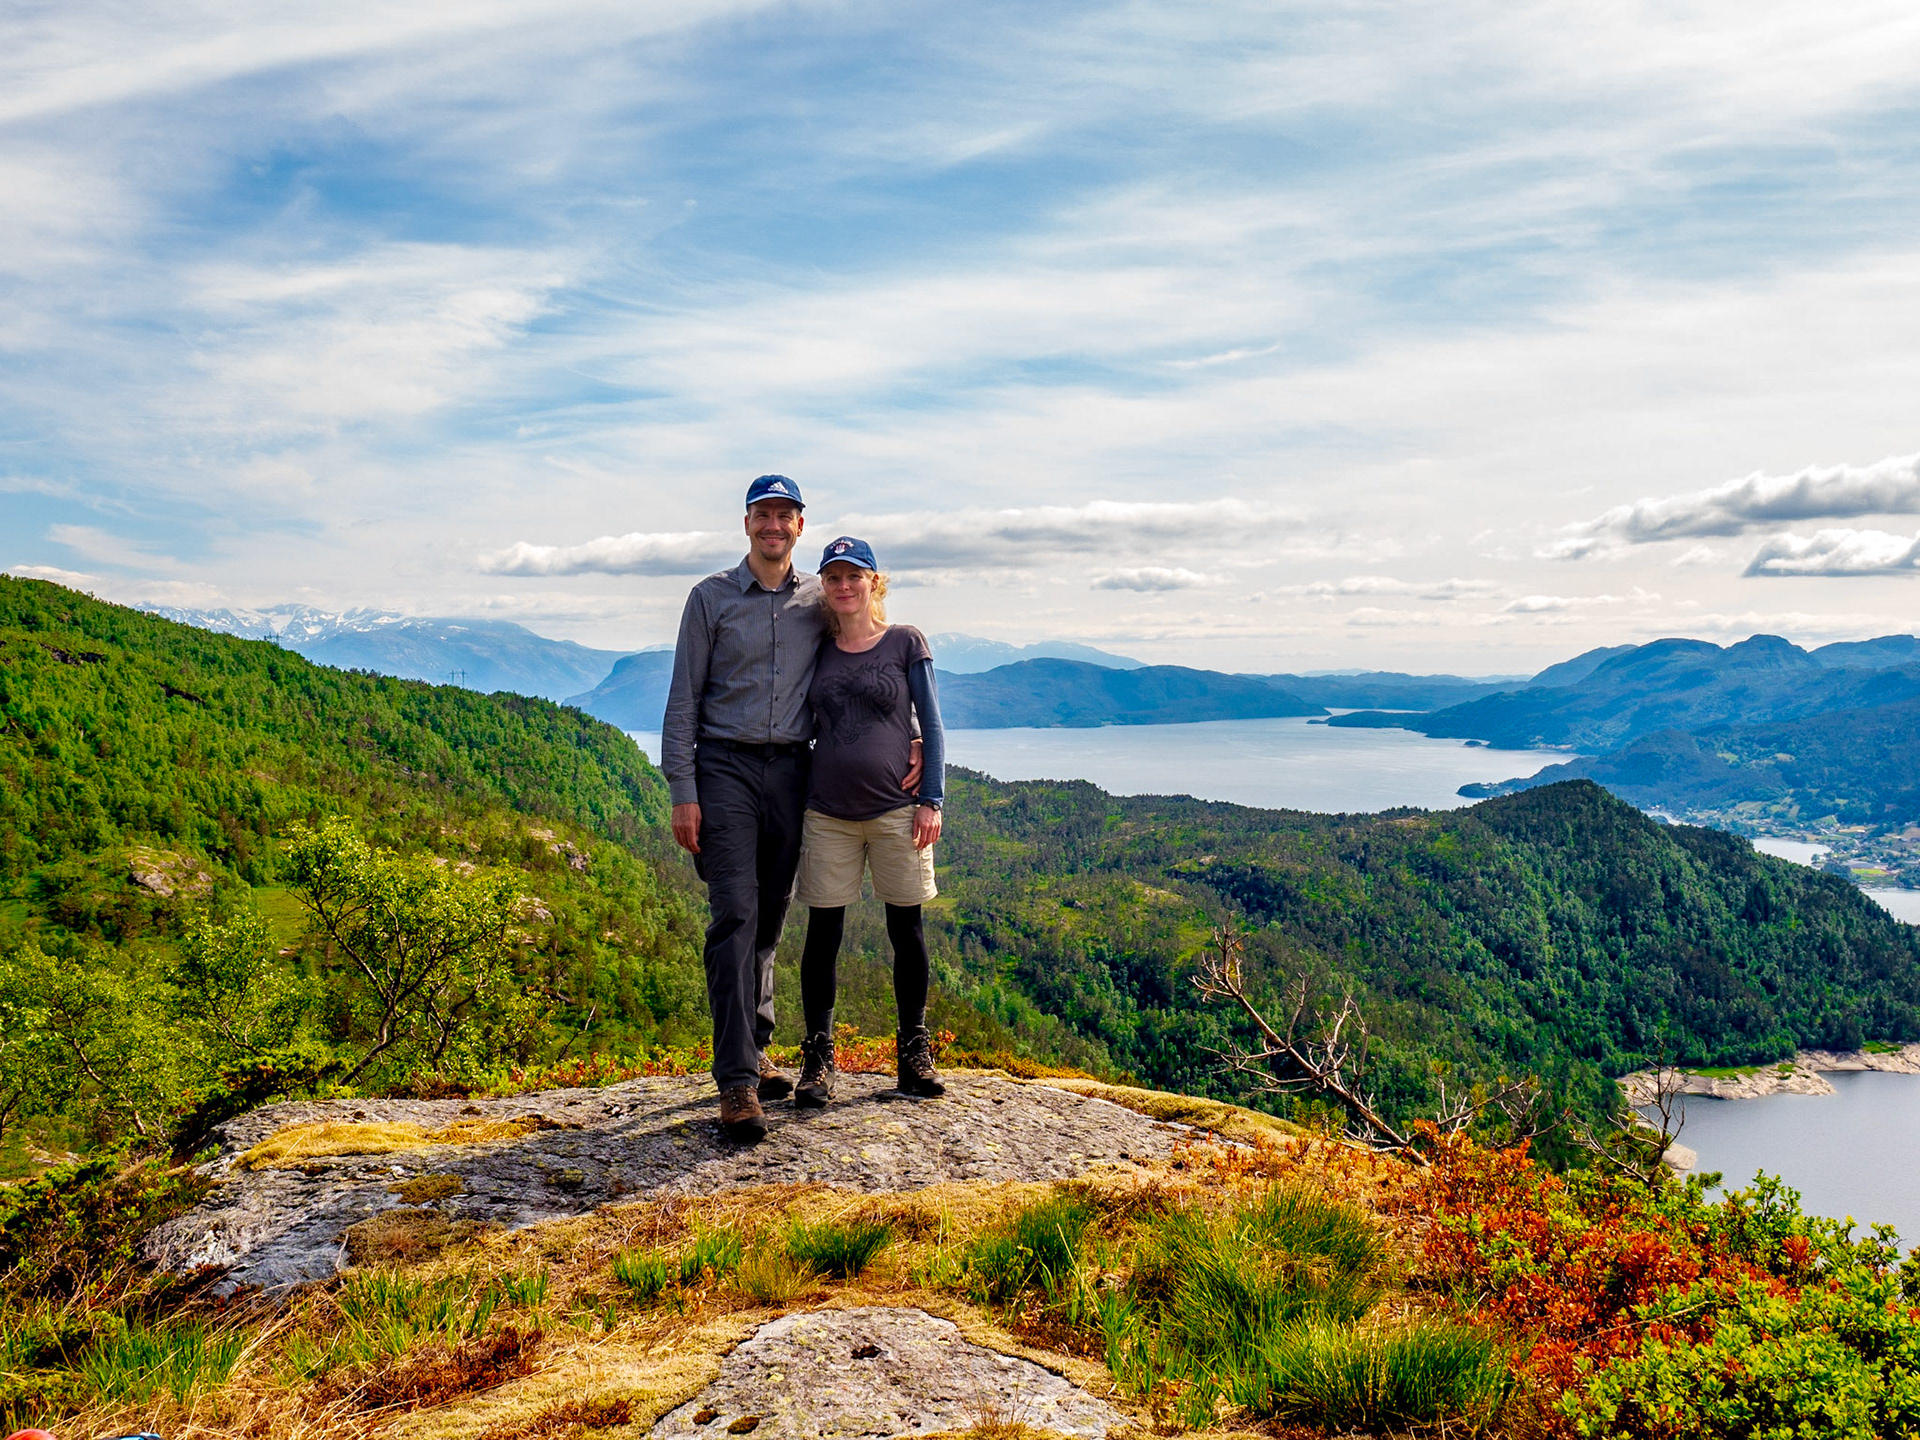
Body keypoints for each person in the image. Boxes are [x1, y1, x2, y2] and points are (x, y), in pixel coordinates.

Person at [661, 476, 920, 1142]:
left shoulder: (819, 599)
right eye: (763, 514)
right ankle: (737, 1082)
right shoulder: (709, 598)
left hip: (794, 771)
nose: (774, 525)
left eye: (786, 515)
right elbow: (683, 702)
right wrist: (682, 791)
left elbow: (868, 660)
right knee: (735, 915)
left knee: (772, 916)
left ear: (800, 526)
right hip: (724, 766)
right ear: (746, 522)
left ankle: (758, 1047)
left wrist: (910, 732)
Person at [790, 535, 946, 1108]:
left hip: (897, 810)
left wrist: (932, 798)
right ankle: (819, 1058)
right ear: (824, 589)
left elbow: (931, 720)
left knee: (906, 931)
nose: (843, 585)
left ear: (874, 583)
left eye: (855, 575)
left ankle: (912, 1052)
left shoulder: (905, 641)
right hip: (827, 811)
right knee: (822, 935)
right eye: (833, 577)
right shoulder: (817, 648)